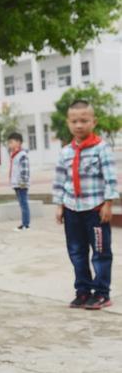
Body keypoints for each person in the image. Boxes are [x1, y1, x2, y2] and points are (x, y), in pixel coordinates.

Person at [53, 100, 118, 310]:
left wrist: (108, 204)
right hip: (72, 210)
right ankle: (82, 291)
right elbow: (60, 181)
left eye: (84, 120)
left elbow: (110, 179)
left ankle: (101, 293)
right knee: (76, 252)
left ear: (93, 121)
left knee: (100, 252)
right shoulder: (65, 152)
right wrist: (60, 205)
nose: (79, 125)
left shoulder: (102, 148)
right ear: (68, 122)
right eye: (74, 121)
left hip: (95, 210)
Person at [7, 132, 31, 230]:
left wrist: (22, 183)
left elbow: (25, 170)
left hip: (21, 184)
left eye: (11, 142)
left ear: (18, 142)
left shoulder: (22, 155)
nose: (9, 144)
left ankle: (26, 224)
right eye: (9, 142)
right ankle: (24, 223)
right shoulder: (14, 154)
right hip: (17, 184)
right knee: (22, 204)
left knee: (24, 204)